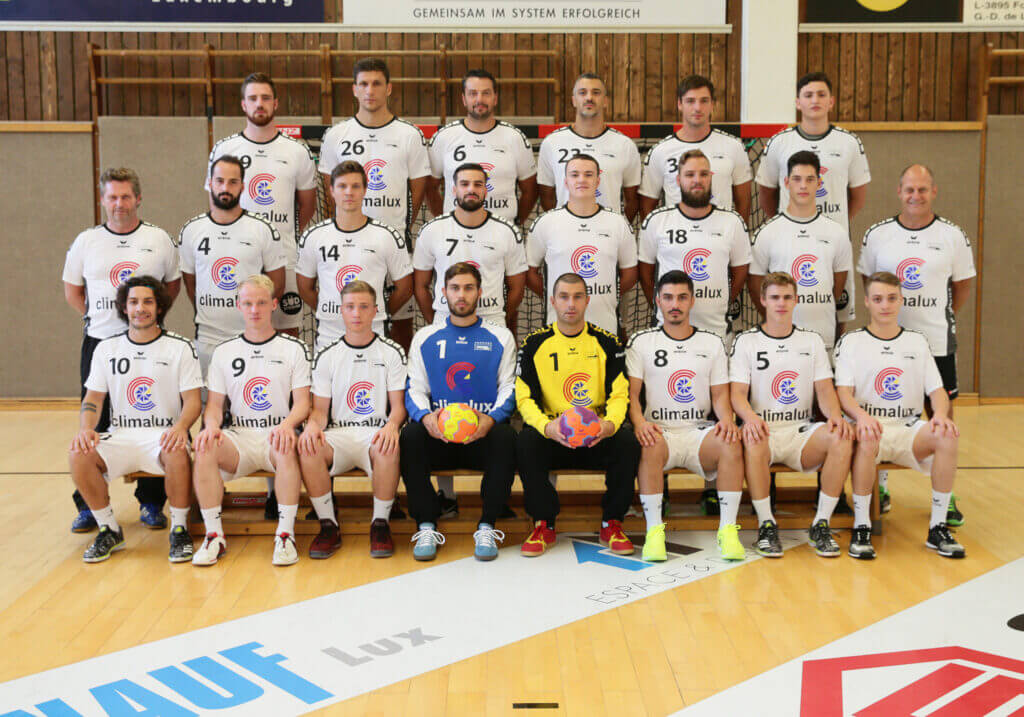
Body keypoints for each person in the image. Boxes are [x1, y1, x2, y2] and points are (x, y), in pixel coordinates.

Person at [63, 167, 181, 532]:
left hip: (148, 343)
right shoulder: (86, 241)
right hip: (100, 342)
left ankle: (151, 502)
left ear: (138, 198)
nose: (119, 204)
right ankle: (89, 506)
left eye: (126, 196)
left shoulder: (158, 239)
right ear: (103, 200)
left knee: (152, 418)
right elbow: (73, 291)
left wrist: (147, 321)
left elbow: (171, 286)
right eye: (112, 197)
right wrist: (100, 321)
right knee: (93, 423)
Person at [858, 165, 975, 522]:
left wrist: (936, 316)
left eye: (922, 189)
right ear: (899, 192)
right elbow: (869, 282)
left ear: (934, 191)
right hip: (886, 342)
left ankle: (946, 497)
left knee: (942, 417)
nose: (916, 196)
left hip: (936, 342)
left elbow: (962, 286)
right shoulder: (878, 234)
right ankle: (881, 487)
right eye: (909, 189)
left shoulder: (952, 235)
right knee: (883, 409)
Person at [68, 276, 202, 563]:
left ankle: (179, 530)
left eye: (148, 302)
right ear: (124, 308)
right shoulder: (107, 349)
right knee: (79, 453)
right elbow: (93, 399)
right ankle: (109, 529)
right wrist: (86, 429)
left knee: (177, 450)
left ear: (160, 307)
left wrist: (181, 427)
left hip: (163, 436)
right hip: (122, 435)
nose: (140, 308)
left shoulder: (180, 348)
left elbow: (192, 401)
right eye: (134, 302)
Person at [835, 271, 965, 559]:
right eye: (878, 299)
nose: (885, 305)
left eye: (892, 298)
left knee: (947, 434)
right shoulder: (852, 342)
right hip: (868, 429)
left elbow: (937, 391)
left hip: (907, 429)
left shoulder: (917, 342)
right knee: (867, 437)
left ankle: (938, 527)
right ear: (867, 302)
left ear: (901, 301)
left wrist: (940, 415)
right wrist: (862, 417)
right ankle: (862, 526)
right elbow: (843, 393)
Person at [729, 272, 853, 558]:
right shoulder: (746, 341)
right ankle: (766, 525)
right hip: (764, 430)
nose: (781, 303)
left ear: (796, 300)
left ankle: (821, 524)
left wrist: (835, 415)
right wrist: (750, 418)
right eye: (774, 297)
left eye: (787, 297)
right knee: (753, 437)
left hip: (800, 432)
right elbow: (737, 394)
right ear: (763, 301)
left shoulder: (811, 341)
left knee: (842, 437)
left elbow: (824, 389)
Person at [516, 272, 640, 557]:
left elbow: (619, 394)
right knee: (526, 441)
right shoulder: (535, 343)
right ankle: (543, 523)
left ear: (587, 301)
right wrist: (547, 427)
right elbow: (524, 397)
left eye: (577, 297)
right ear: (552, 301)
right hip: (555, 436)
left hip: (596, 437)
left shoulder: (607, 343)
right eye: (564, 297)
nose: (570, 304)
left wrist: (608, 426)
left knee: (626, 442)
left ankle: (612, 522)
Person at [191, 275, 312, 567]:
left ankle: (285, 535)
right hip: (240, 437)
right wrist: (211, 427)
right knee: (205, 447)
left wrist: (287, 425)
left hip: (277, 435)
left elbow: (303, 404)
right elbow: (215, 406)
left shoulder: (293, 349)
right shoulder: (224, 352)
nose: (254, 309)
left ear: (273, 304)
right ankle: (214, 535)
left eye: (261, 302)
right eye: (247, 303)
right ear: (239, 306)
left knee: (285, 445)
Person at [400, 263, 518, 562]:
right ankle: (426, 524)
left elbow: (509, 387)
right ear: (444, 292)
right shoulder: (425, 337)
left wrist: (490, 419)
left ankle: (487, 525)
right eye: (455, 288)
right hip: (440, 437)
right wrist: (427, 418)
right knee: (411, 436)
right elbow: (414, 388)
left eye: (468, 288)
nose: (461, 295)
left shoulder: (500, 336)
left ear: (479, 292)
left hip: (481, 436)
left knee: (506, 436)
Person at [626, 271, 744, 561]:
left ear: (692, 301)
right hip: (660, 432)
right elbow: (632, 395)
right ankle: (655, 532)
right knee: (648, 442)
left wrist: (726, 420)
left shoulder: (712, 343)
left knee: (730, 442)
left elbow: (720, 395)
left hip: (697, 433)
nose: (674, 304)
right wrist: (640, 423)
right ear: (658, 301)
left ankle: (728, 530)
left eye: (681, 297)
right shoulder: (641, 342)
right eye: (668, 298)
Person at [318, 58, 430, 350]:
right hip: (346, 245)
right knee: (348, 318)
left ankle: (397, 378)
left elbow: (417, 191)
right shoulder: (336, 135)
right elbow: (329, 192)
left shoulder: (409, 135)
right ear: (354, 89)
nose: (370, 90)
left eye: (377, 83)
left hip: (394, 245)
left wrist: (395, 231)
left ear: (389, 88)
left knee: (400, 326)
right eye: (364, 84)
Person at [297, 280, 407, 559]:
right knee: (308, 446)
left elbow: (398, 407)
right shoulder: (327, 355)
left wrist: (392, 425)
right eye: (350, 307)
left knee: (388, 445)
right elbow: (320, 410)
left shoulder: (391, 352)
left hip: (375, 433)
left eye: (363, 306)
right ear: (341, 311)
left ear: (375, 310)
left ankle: (380, 525)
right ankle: (328, 526)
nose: (356, 313)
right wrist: (312, 426)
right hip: (339, 435)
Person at [756, 71, 871, 328]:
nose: (815, 100)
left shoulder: (849, 142)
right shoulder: (779, 142)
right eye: (808, 95)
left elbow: (858, 196)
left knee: (836, 313)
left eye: (821, 94)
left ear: (831, 101)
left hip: (833, 243)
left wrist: (829, 226)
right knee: (782, 309)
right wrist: (788, 223)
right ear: (798, 102)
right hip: (788, 243)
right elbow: (766, 193)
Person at [207, 72, 318, 335]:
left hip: (285, 257)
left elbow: (308, 206)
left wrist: (277, 235)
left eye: (266, 98)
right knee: (238, 332)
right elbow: (215, 205)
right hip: (237, 257)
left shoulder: (297, 151)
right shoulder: (224, 149)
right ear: (243, 104)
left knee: (287, 334)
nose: (260, 104)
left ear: (276, 103)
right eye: (253, 98)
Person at [181, 155, 286, 375]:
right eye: (219, 181)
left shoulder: (262, 229)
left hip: (251, 338)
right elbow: (191, 285)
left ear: (243, 186)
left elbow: (277, 284)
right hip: (208, 340)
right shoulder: (192, 230)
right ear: (209, 183)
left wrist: (254, 316)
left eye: (233, 182)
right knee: (209, 398)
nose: (225, 188)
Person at [296, 161, 413, 354]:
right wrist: (334, 311)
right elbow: (304, 287)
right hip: (328, 335)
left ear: (365, 190)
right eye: (342, 186)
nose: (349, 192)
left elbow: (405, 287)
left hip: (373, 333)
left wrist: (375, 312)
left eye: (355, 186)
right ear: (332, 191)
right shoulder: (314, 236)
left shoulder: (385, 235)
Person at [749, 151, 851, 351]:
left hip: (823, 340)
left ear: (819, 183)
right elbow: (755, 285)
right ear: (786, 183)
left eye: (809, 179)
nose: (803, 185)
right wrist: (776, 319)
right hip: (779, 342)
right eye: (797, 179)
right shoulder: (767, 232)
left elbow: (837, 289)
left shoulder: (837, 233)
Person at [526, 154, 637, 336]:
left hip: (605, 328)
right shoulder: (546, 222)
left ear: (598, 181)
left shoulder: (617, 223)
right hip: (558, 330)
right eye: (575, 175)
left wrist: (605, 295)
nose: (581, 180)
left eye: (588, 174)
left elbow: (631, 273)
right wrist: (557, 296)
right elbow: (529, 273)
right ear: (565, 181)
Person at [414, 163, 526, 330]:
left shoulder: (507, 231)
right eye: (464, 184)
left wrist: (499, 318)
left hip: (491, 320)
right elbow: (420, 286)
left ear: (485, 190)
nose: (471, 189)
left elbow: (517, 288)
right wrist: (436, 325)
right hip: (445, 319)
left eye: (478, 184)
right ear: (454, 190)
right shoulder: (432, 230)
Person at [425, 69, 538, 227]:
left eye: (486, 93)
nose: (479, 99)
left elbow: (530, 189)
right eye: (473, 93)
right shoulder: (444, 137)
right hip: (456, 230)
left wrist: (516, 222)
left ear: (495, 98)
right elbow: (429, 187)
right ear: (464, 99)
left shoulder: (514, 138)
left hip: (502, 231)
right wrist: (445, 220)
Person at [638, 75, 752, 224]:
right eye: (690, 101)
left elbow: (744, 202)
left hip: (720, 234)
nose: (697, 107)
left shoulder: (733, 146)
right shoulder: (660, 151)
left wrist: (736, 233)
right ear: (680, 104)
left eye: (704, 101)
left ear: (712, 104)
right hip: (676, 235)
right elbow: (647, 205)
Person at [537, 73, 642, 221]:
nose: (589, 97)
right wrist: (563, 223)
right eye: (582, 92)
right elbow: (546, 196)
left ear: (605, 101)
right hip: (566, 229)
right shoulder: (552, 143)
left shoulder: (625, 145)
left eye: (596, 93)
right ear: (574, 101)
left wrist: (616, 226)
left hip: (608, 231)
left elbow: (632, 200)